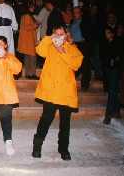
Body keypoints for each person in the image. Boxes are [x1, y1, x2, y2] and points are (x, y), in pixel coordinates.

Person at [32, 25, 83, 161]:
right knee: (45, 120)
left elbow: (76, 64)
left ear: (66, 35)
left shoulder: (72, 49)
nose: (59, 38)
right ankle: (37, 146)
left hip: (66, 93)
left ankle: (64, 149)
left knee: (65, 123)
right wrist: (50, 39)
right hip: (51, 92)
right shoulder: (49, 46)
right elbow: (39, 50)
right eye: (57, 34)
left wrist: (62, 51)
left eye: (62, 35)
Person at [101, 27, 121, 124]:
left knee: (112, 91)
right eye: (105, 33)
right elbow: (103, 56)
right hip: (108, 70)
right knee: (113, 90)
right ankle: (117, 111)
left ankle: (108, 115)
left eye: (108, 32)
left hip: (115, 70)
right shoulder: (105, 43)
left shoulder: (117, 42)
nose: (107, 34)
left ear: (112, 33)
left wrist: (114, 60)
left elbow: (118, 56)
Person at [18, 4, 39, 79]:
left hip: (27, 40)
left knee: (27, 57)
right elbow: (26, 27)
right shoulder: (27, 16)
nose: (33, 8)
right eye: (32, 7)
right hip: (29, 40)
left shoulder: (26, 15)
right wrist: (35, 25)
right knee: (32, 57)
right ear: (29, 8)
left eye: (33, 7)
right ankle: (32, 74)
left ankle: (28, 74)